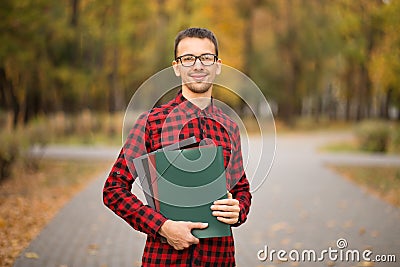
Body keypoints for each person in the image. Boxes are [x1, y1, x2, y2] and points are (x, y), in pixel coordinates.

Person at [103, 27, 251, 266]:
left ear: (218, 65)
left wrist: (239, 210)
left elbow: (241, 189)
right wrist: (162, 227)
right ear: (176, 67)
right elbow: (113, 190)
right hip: (165, 260)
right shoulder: (151, 123)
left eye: (206, 58)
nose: (198, 66)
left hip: (219, 259)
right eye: (188, 58)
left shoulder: (230, 128)